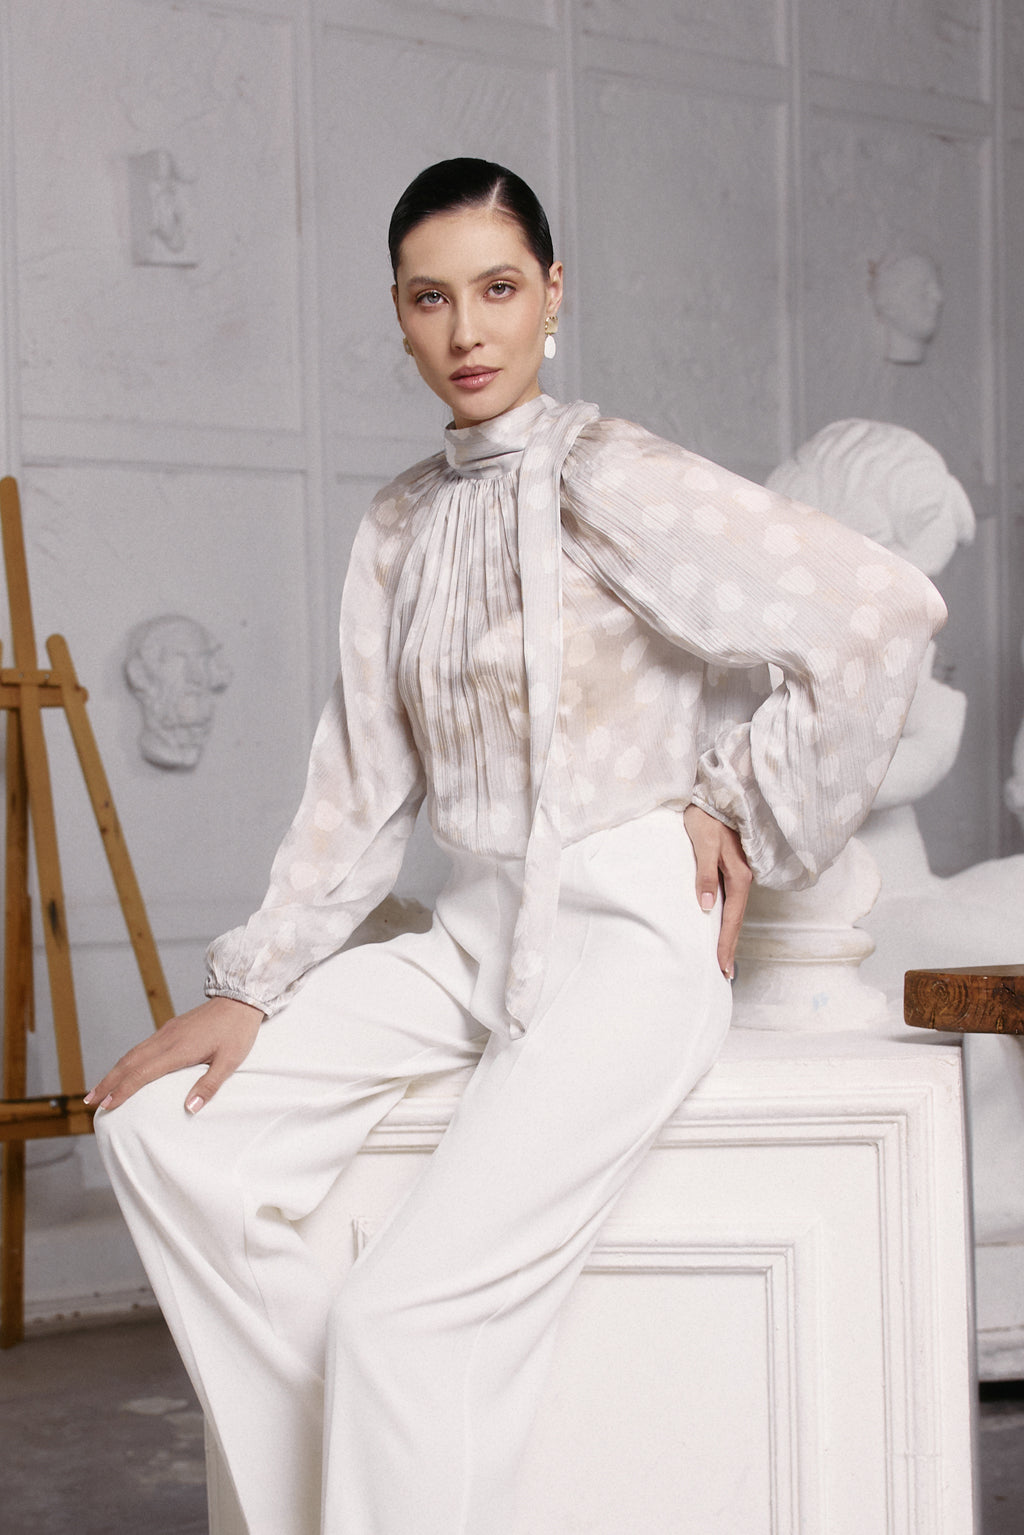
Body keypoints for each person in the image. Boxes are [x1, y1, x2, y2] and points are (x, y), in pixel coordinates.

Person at [89, 159, 946, 1535]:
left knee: (398, 1327)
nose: (467, 332)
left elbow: (877, 609)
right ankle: (356, 1484)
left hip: (623, 944)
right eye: (432, 299)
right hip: (464, 934)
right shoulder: (400, 521)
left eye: (497, 290)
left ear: (554, 297)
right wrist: (252, 982)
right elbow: (362, 784)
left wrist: (737, 801)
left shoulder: (611, 472)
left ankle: (385, 1438)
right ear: (399, 314)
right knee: (152, 1129)